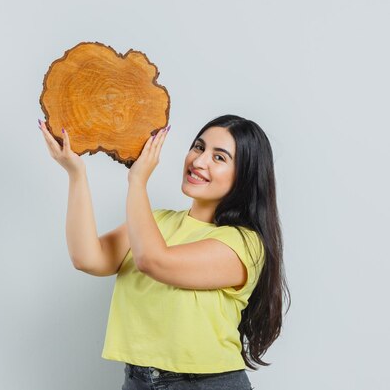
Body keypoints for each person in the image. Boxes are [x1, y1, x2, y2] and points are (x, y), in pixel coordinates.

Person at [38, 114, 290, 390]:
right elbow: (88, 258)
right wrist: (76, 173)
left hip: (205, 384)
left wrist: (137, 182)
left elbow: (153, 261)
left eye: (219, 158)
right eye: (198, 147)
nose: (199, 161)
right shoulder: (155, 222)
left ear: (244, 176)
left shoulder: (244, 244)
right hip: (138, 380)